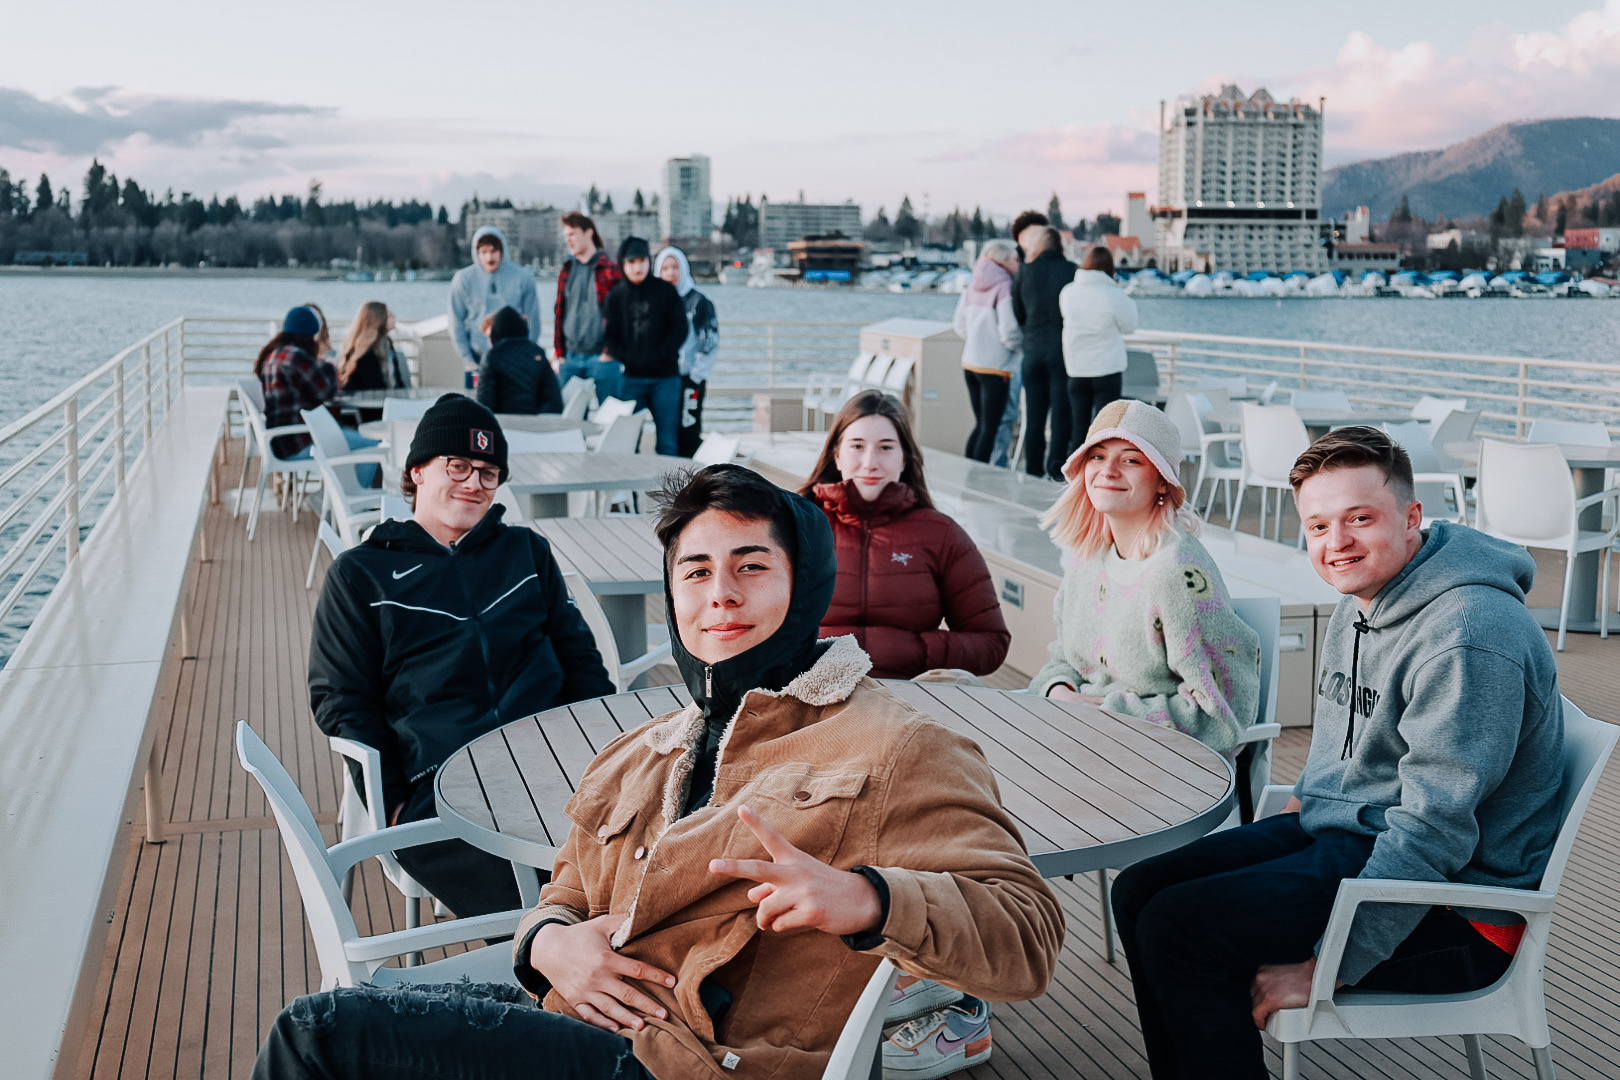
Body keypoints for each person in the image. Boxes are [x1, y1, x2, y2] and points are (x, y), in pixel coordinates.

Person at [255, 463, 1064, 1080]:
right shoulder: (642, 751)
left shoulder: (890, 745)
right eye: (696, 571)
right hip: (580, 1019)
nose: (721, 595)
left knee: (320, 1037)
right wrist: (546, 945)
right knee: (350, 1018)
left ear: (802, 584)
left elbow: (1026, 936)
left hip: (687, 1063)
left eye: (752, 567)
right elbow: (563, 894)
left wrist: (866, 899)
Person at [1110, 425, 1565, 1080]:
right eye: (1318, 526)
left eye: (1359, 518)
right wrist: (1297, 816)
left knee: (1179, 930)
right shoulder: (1365, 597)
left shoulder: (1469, 633)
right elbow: (1341, 751)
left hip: (1460, 907)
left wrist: (1328, 966)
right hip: (1360, 835)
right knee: (1140, 888)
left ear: (1411, 518)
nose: (1337, 544)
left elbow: (1433, 833)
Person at [307, 395, 615, 918]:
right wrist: (393, 800)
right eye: (458, 466)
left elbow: (580, 660)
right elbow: (341, 699)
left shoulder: (525, 551)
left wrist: (608, 756)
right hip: (443, 784)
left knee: (646, 868)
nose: (474, 483)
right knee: (552, 912)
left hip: (553, 761)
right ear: (418, 471)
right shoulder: (362, 575)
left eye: (489, 472)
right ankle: (555, 969)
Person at [1031, 399, 1259, 755]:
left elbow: (1220, 714)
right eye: (1097, 456)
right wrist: (1057, 691)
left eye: (1131, 459)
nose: (1108, 470)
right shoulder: (1086, 560)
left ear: (1163, 483)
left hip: (1156, 769)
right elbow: (1065, 660)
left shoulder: (1177, 572)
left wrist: (1106, 713)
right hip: (1081, 742)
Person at [800, 390, 1010, 680]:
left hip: (908, 697)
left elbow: (991, 641)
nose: (870, 462)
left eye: (886, 447)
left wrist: (918, 651)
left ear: (904, 459)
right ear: (836, 455)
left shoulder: (942, 534)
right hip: (809, 694)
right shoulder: (795, 527)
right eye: (857, 446)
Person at [601, 237, 687, 457]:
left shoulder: (666, 291)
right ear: (623, 264)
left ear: (649, 262)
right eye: (631, 262)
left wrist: (660, 355)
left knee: (667, 443)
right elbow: (610, 338)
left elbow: (680, 329)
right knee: (628, 442)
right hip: (631, 379)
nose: (637, 267)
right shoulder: (615, 297)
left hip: (666, 378)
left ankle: (671, 492)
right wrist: (629, 358)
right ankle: (629, 492)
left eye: (641, 261)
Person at [1012, 226, 1077, 480]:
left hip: (1033, 352)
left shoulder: (1024, 272)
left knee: (1035, 418)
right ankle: (1055, 471)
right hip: (1062, 354)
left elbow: (1017, 312)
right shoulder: (1072, 271)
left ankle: (1032, 472)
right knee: (1062, 416)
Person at [953, 238, 1022, 463]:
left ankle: (967, 470)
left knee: (980, 425)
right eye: (1014, 258)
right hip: (995, 368)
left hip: (970, 364)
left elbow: (959, 325)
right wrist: (1015, 348)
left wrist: (977, 341)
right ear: (1003, 261)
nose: (1018, 262)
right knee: (990, 428)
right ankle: (977, 476)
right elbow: (1009, 330)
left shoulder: (972, 286)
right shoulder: (1003, 287)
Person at [1058, 245, 1137, 433]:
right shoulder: (1115, 294)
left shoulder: (1068, 292)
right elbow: (1130, 326)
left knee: (1079, 430)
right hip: (1107, 370)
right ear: (1110, 268)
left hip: (1076, 370)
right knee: (1105, 431)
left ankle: (1076, 463)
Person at [449, 225, 543, 382]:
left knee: (514, 405)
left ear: (502, 250)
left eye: (493, 251)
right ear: (476, 253)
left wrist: (527, 354)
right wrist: (467, 358)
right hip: (478, 360)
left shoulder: (523, 277)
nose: (489, 257)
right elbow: (455, 320)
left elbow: (533, 318)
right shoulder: (463, 279)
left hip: (515, 359)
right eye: (484, 252)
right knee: (476, 405)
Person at [654, 245, 719, 458]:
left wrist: (696, 376)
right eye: (665, 268)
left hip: (689, 380)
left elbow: (709, 342)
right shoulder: (656, 301)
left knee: (689, 432)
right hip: (664, 379)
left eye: (675, 267)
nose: (670, 273)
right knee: (666, 434)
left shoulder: (699, 302)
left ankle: (691, 486)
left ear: (683, 269)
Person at [554, 211, 624, 402]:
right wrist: (560, 353)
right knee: (569, 423)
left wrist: (610, 352)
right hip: (570, 358)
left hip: (603, 358)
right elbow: (559, 313)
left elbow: (621, 316)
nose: (568, 240)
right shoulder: (566, 271)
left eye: (572, 234)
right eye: (565, 236)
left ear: (588, 232)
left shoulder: (610, 270)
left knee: (610, 418)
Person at [256, 305, 341, 459]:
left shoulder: (275, 354)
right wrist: (331, 367)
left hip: (281, 441)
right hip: (298, 442)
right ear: (312, 334)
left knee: (352, 439)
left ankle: (341, 481)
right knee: (370, 444)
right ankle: (351, 484)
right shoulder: (295, 357)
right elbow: (326, 393)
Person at [476, 306, 563, 415]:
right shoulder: (537, 353)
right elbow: (553, 398)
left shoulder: (492, 356)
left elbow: (483, 403)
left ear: (495, 332)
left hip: (505, 424)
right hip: (536, 424)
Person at [336, 300, 411, 396]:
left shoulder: (387, 344)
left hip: (386, 399)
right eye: (390, 315)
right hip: (368, 403)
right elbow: (374, 386)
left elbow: (397, 380)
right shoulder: (365, 352)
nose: (394, 316)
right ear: (379, 320)